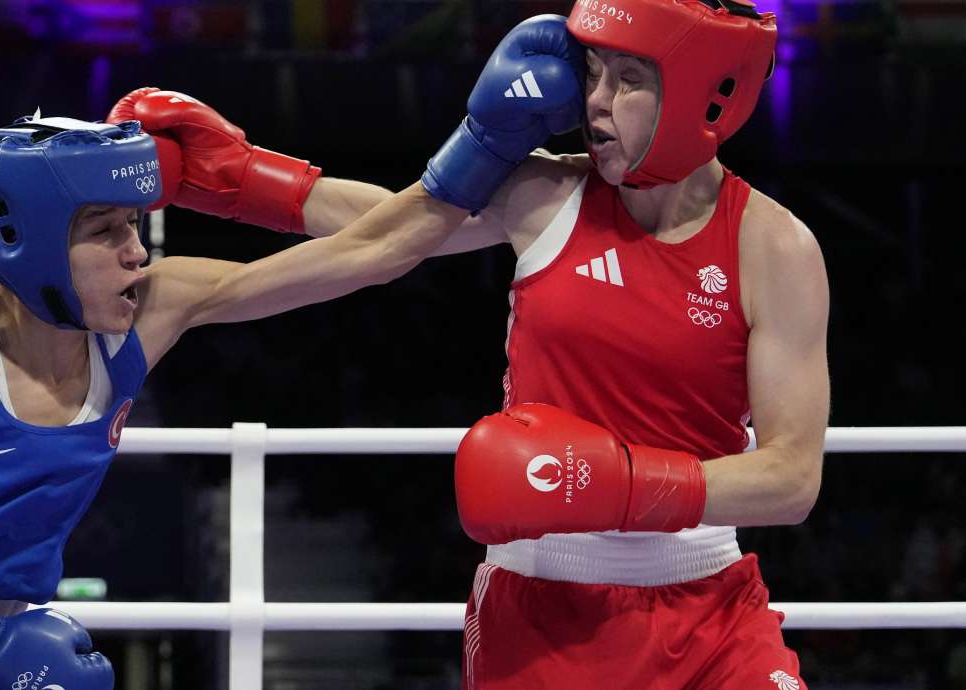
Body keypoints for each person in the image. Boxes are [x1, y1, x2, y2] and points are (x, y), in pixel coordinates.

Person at [0, 16, 584, 688]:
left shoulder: (151, 309)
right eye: (107, 232)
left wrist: (481, 143)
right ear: (25, 244)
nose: (137, 252)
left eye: (136, 225)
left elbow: (374, 250)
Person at [108, 0, 829, 687]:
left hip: (712, 608)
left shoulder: (774, 249)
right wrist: (234, 176)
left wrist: (621, 486)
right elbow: (389, 225)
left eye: (630, 79)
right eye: (594, 72)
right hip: (543, 607)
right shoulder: (546, 195)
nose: (597, 101)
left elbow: (792, 478)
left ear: (707, 97)